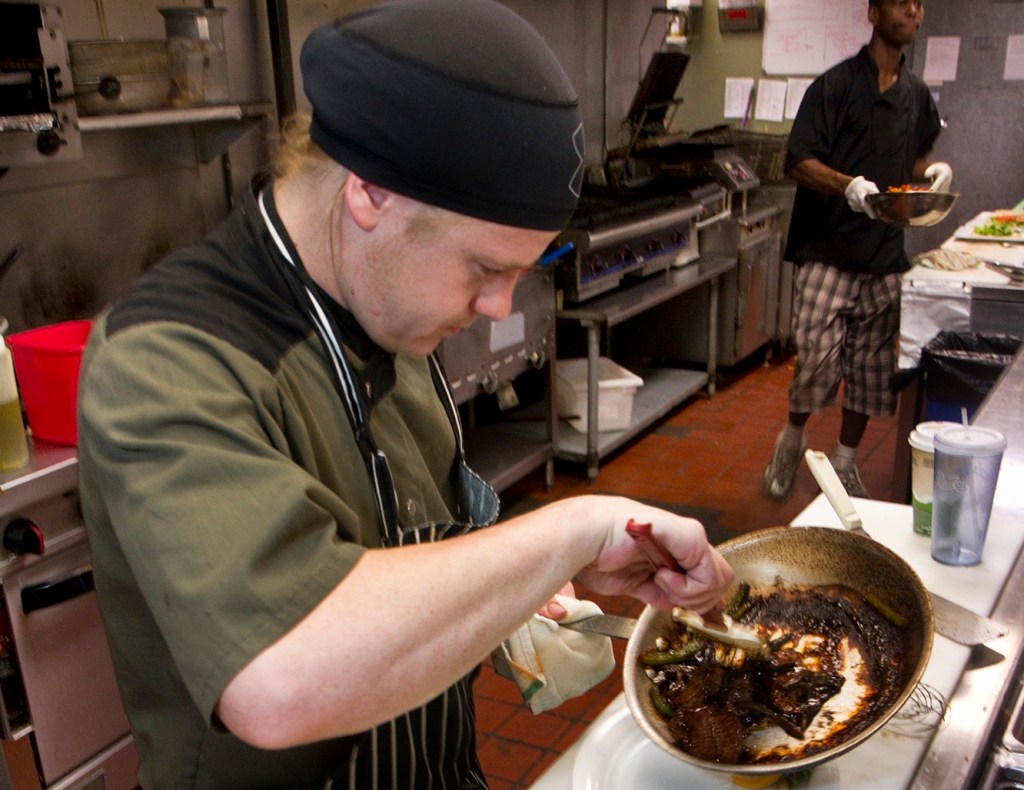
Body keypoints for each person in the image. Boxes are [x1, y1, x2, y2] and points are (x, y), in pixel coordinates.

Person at [76, 1, 733, 787]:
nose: (496, 306)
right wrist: (575, 529)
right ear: (370, 195)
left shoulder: (388, 309)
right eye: (485, 269)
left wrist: (526, 581)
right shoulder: (168, 356)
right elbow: (279, 679)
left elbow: (430, 518)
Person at [762, 0, 950, 501]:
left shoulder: (917, 95)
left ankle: (845, 463)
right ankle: (792, 439)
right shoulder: (836, 86)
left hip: (884, 253)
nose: (910, 11)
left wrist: (929, 176)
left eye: (917, 4)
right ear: (872, 12)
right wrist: (847, 186)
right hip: (826, 248)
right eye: (899, 2)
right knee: (816, 361)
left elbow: (913, 157)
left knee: (870, 369)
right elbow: (798, 160)